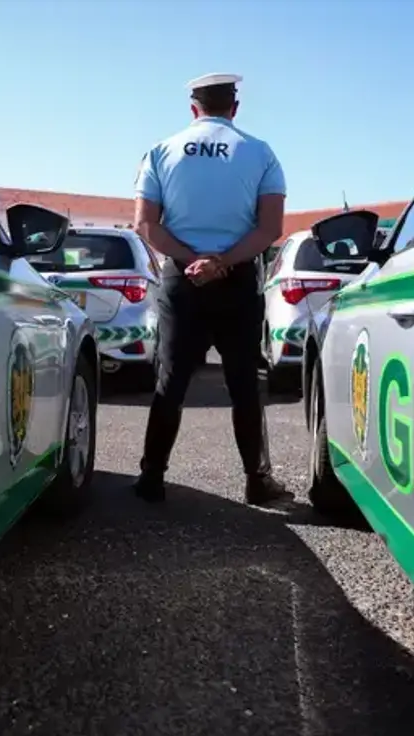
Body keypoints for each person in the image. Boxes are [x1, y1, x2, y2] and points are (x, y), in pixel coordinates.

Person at [131, 72, 291, 505]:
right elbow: (270, 228)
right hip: (237, 281)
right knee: (243, 385)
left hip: (181, 280)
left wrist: (190, 261)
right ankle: (257, 481)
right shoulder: (259, 153)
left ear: (193, 109)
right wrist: (221, 262)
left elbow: (145, 224)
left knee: (171, 382)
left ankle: (152, 477)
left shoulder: (161, 151)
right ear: (234, 108)